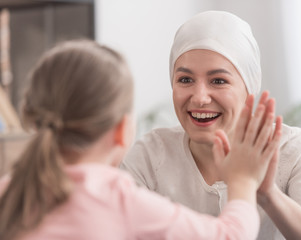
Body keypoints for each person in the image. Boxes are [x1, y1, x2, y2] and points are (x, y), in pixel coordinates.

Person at [0, 39, 282, 240]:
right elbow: (229, 235)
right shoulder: (119, 200)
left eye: (218, 81)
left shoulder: (8, 191)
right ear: (123, 130)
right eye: (185, 80)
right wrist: (243, 181)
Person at [121, 11, 301, 239]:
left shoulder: (295, 149)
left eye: (218, 81)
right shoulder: (149, 154)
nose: (199, 97)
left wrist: (268, 194)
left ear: (249, 87)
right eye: (185, 80)